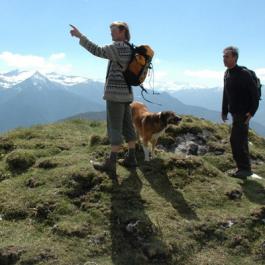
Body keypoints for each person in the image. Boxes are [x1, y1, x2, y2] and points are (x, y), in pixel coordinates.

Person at [70, 22, 137, 176]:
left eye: (113, 30)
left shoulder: (117, 47)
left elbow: (96, 50)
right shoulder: (130, 47)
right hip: (126, 94)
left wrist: (80, 36)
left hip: (115, 94)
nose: (111, 33)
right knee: (128, 125)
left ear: (122, 31)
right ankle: (131, 158)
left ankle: (111, 163)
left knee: (114, 127)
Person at [222, 46, 259, 178]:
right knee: (241, 140)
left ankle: (244, 169)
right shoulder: (227, 73)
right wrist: (224, 110)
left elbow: (254, 94)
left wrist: (252, 112)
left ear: (234, 58)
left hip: (244, 113)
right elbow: (226, 93)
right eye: (223, 56)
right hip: (234, 113)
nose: (224, 59)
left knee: (235, 140)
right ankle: (244, 168)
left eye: (227, 56)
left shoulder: (244, 74)